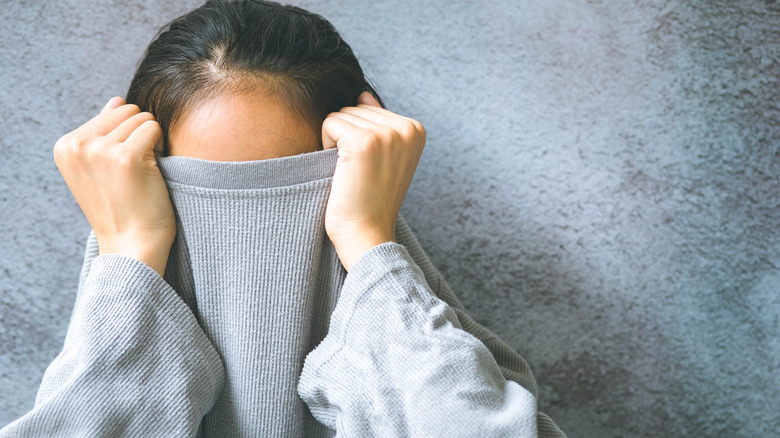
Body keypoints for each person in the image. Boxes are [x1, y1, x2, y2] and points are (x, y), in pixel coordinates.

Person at [1, 1, 565, 437]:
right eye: (198, 198)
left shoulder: (429, 350)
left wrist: (366, 242)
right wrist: (132, 251)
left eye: (288, 196)